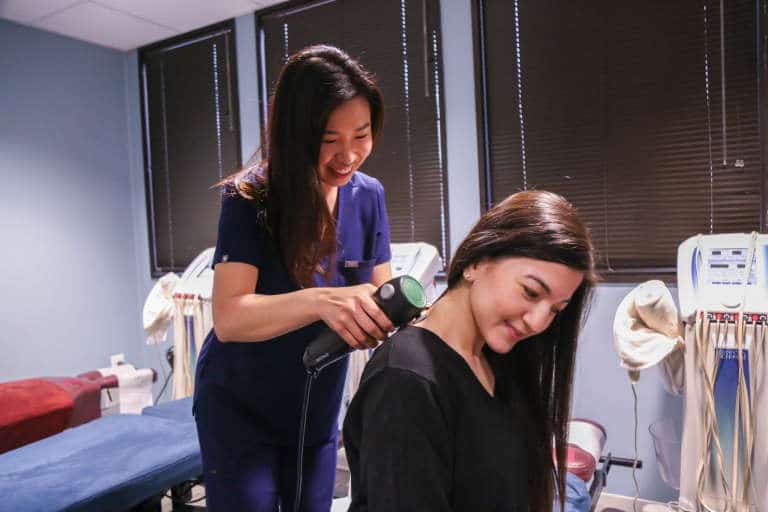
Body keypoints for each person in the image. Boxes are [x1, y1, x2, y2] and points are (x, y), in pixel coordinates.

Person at [193, 45, 394, 512]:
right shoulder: (250, 199)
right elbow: (230, 317)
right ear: (296, 135)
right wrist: (322, 301)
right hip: (241, 408)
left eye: (362, 135)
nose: (348, 155)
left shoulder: (368, 197)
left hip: (316, 407)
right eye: (329, 139)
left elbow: (382, 296)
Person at [343, 190, 598, 512]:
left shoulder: (502, 359)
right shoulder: (407, 381)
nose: (538, 322)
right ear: (477, 262)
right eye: (531, 292)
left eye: (556, 310)